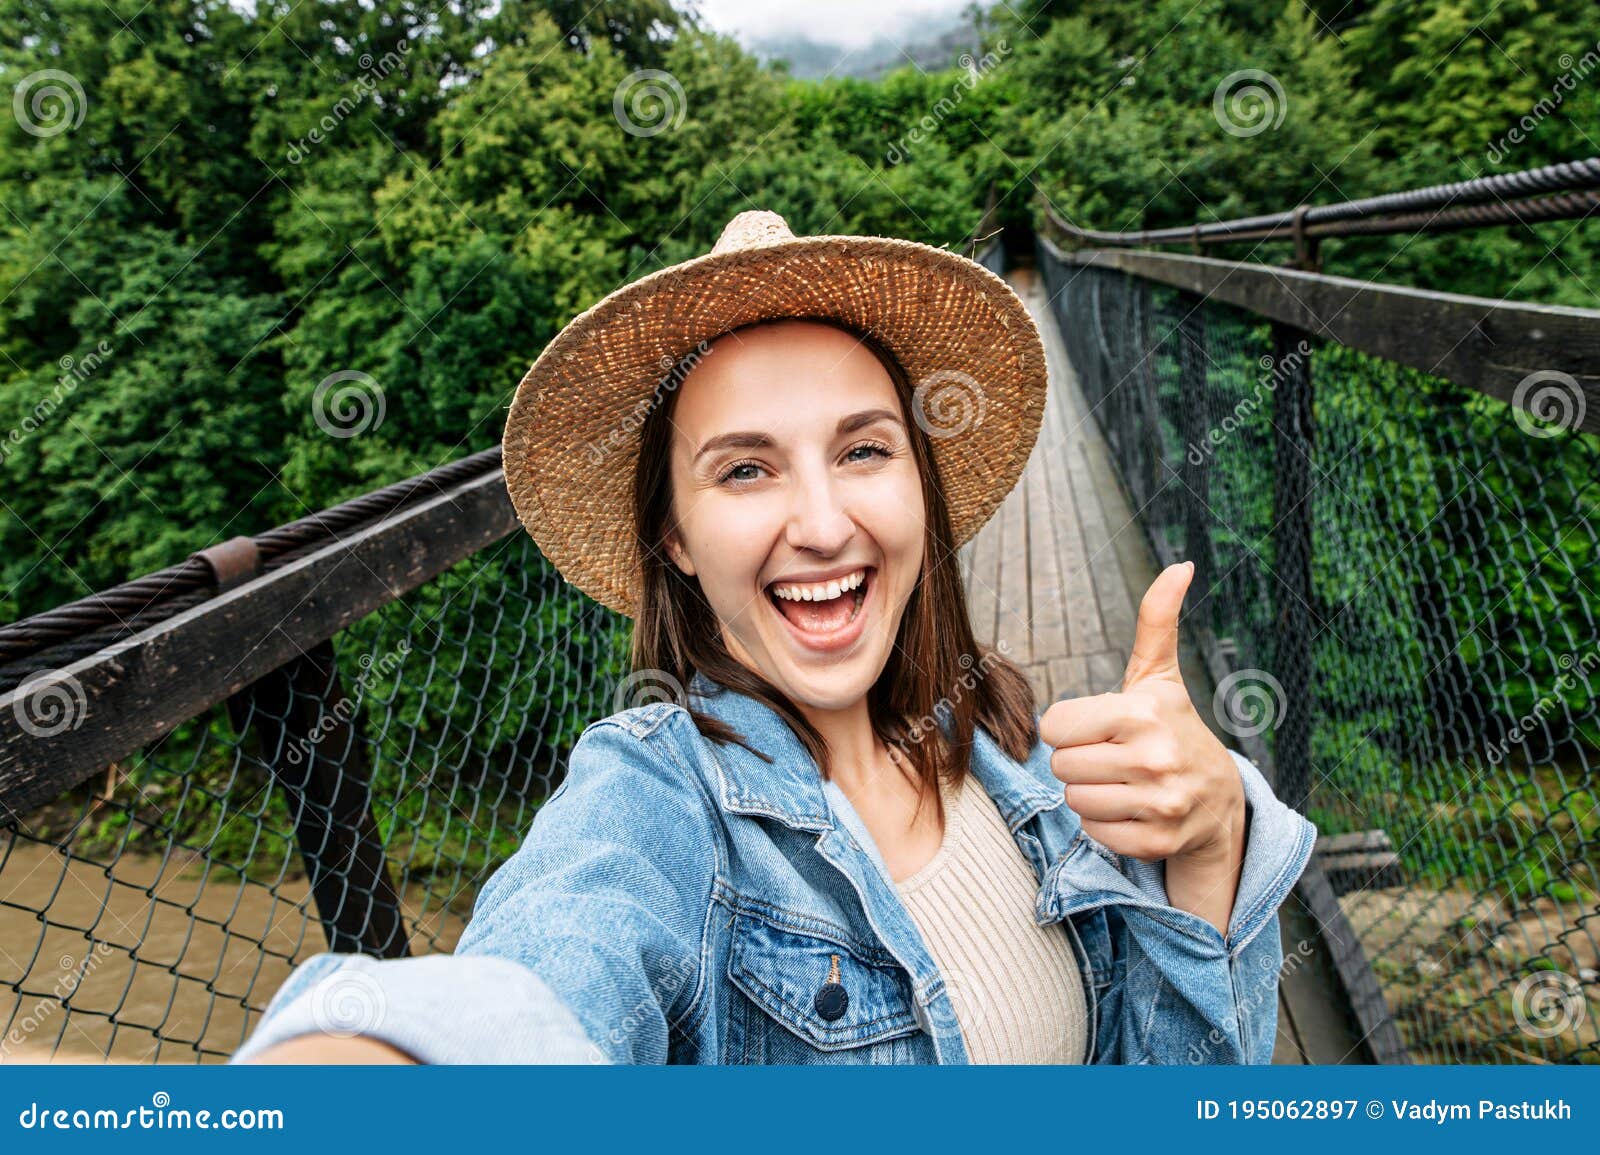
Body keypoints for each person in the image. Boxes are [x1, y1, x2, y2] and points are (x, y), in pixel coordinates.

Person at [234, 209, 1316, 1065]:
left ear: (922, 488)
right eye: (744, 469)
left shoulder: (1019, 745)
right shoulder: (655, 804)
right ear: (676, 536)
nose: (822, 523)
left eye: (863, 451)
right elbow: (548, 964)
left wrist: (1214, 845)